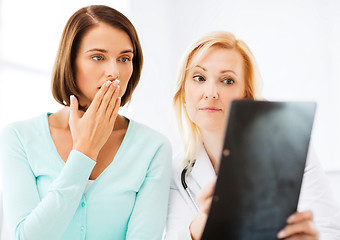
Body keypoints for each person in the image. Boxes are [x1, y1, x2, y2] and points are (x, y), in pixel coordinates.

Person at [0, 5, 171, 240]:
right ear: (70, 62)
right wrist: (84, 151)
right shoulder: (18, 137)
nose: (114, 72)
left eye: (124, 58)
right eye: (98, 57)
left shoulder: (153, 147)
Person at [165, 31, 340, 239]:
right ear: (184, 92)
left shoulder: (291, 150)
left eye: (227, 81)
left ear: (246, 95)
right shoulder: (176, 173)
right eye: (199, 78)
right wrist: (201, 227)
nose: (210, 92)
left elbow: (328, 231)